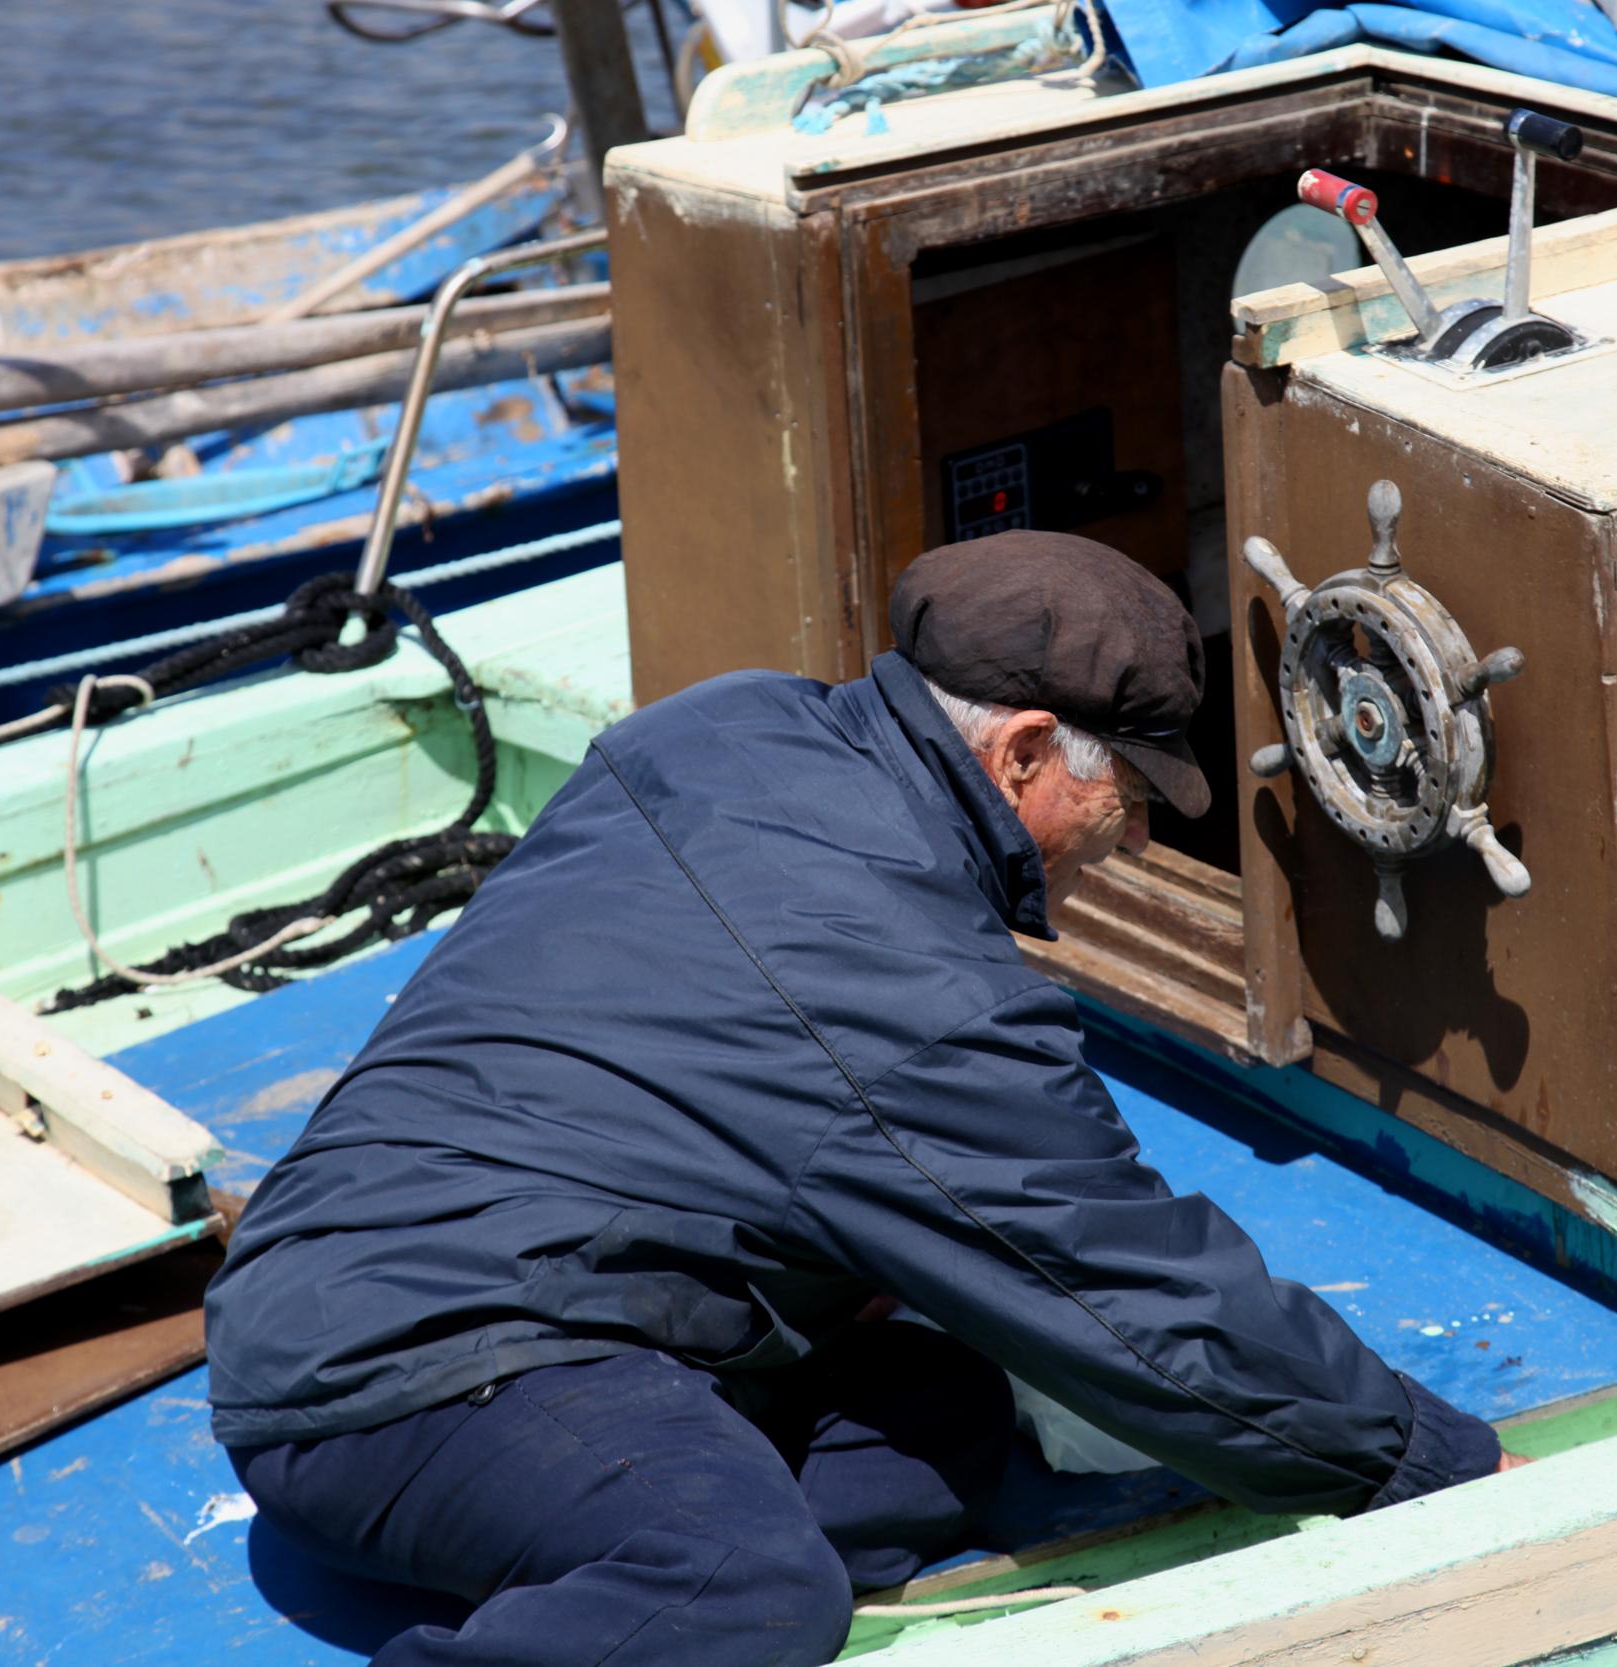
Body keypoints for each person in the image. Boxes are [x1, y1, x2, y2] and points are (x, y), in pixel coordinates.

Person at [204, 531, 1515, 1667]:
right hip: (396, 1374)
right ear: (1022, 750)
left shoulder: (726, 723)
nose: (1135, 840)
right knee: (744, 1582)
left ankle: (574, 1542)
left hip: (356, 1268)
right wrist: (1425, 1463)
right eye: (1127, 796)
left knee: (946, 1413)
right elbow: (1126, 1290)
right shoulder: (909, 982)